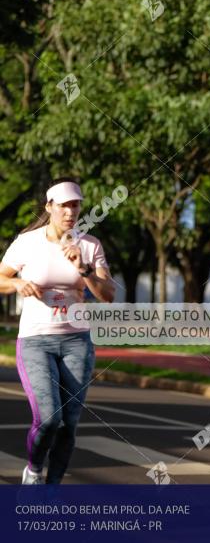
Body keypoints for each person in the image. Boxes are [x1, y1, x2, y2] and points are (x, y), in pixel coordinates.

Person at [0, 178, 115, 484]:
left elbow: (108, 294)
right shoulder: (27, 243)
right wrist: (15, 283)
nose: (70, 211)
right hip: (36, 341)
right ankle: (34, 470)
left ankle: (50, 494)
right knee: (49, 418)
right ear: (49, 207)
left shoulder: (89, 246)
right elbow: (0, 278)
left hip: (77, 342)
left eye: (75, 204)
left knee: (68, 425)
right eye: (63, 205)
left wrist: (84, 269)